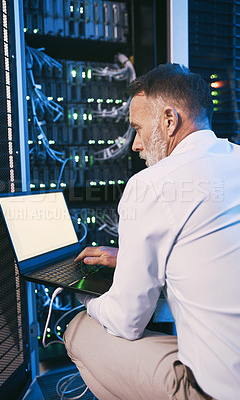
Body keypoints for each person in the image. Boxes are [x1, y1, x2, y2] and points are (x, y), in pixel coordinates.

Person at [63, 63, 240, 400]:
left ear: (169, 120)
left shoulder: (151, 185)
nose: (135, 145)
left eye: (138, 129)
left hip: (218, 391)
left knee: (78, 331)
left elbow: (125, 321)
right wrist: (129, 258)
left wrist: (85, 296)